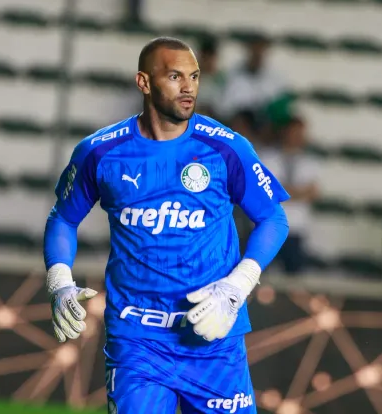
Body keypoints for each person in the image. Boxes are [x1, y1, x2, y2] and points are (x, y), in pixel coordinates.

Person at [43, 37, 290, 414]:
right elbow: (63, 217)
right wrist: (59, 282)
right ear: (144, 82)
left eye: (194, 76)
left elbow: (273, 218)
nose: (188, 86)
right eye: (175, 76)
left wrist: (237, 287)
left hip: (214, 339)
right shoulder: (100, 151)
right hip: (136, 342)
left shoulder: (227, 148)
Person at [260, 117, 320, 275]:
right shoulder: (267, 157)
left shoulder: (311, 162)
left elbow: (313, 193)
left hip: (297, 228)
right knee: (262, 277)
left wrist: (284, 192)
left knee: (294, 277)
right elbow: (267, 191)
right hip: (269, 226)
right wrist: (299, 192)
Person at [194, 35, 226, 120]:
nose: (207, 61)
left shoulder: (222, 79)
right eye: (205, 57)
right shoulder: (191, 79)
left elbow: (224, 107)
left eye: (210, 57)